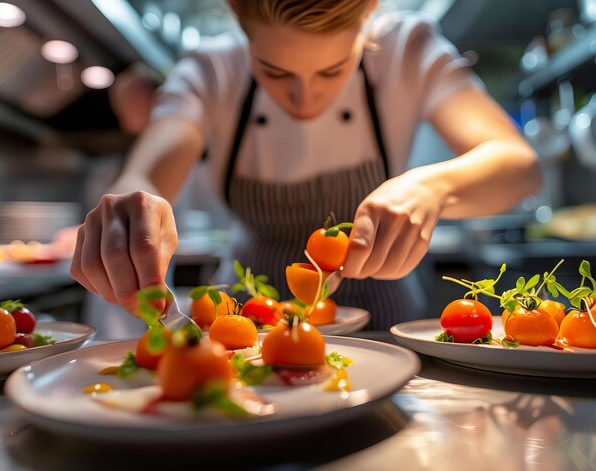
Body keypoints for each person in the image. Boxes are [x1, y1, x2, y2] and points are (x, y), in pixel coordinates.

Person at [70, 0, 542, 330]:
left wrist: (431, 188)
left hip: (380, 324)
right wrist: (133, 205)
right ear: (235, 9)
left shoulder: (408, 49)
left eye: (332, 71)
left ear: (370, 7)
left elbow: (519, 166)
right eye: (274, 72)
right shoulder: (210, 70)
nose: (304, 100)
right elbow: (147, 175)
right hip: (247, 326)